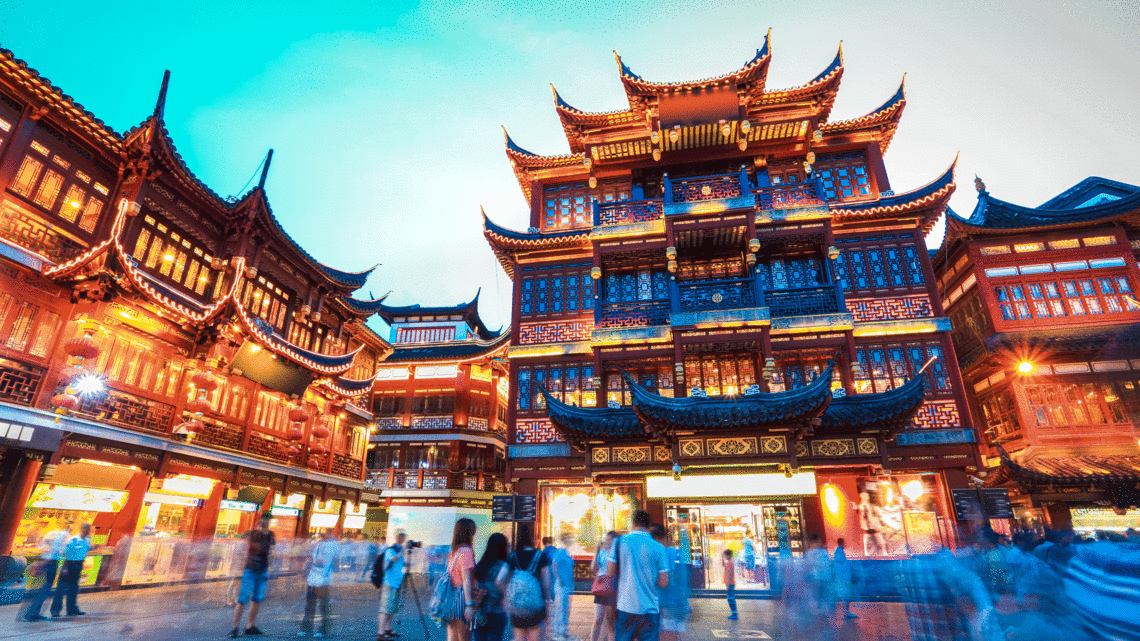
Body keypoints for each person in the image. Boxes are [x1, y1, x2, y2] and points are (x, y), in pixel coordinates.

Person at [608, 510, 669, 641]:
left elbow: (610, 573)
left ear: (633, 523)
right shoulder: (658, 547)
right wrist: (649, 576)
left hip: (626, 607)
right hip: (650, 609)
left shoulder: (618, 542)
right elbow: (664, 582)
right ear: (648, 525)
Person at [231, 511, 276, 639]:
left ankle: (250, 626)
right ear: (259, 520)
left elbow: (272, 549)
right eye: (264, 519)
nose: (266, 521)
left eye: (268, 519)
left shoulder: (271, 535)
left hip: (263, 571)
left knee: (257, 600)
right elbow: (242, 542)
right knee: (242, 600)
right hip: (250, 570)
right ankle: (235, 628)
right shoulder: (251, 534)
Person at [503, 523, 551, 641]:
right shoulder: (541, 555)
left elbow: (499, 579)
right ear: (532, 537)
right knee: (535, 634)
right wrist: (546, 601)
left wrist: (507, 594)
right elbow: (547, 583)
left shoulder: (512, 556)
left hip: (516, 605)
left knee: (519, 636)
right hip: (535, 604)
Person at [23, 521, 70, 621]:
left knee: (42, 587)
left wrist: (42, 561)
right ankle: (32, 614)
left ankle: (33, 613)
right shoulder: (64, 535)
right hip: (51, 562)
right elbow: (59, 551)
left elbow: (41, 546)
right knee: (45, 588)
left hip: (44, 559)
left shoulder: (50, 533)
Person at [651, 524, 690, 641]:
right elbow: (684, 580)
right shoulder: (678, 553)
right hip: (679, 607)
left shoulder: (659, 554)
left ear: (657, 539)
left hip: (665, 607)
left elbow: (663, 582)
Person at [473, 532, 509, 641]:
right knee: (496, 637)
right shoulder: (505, 566)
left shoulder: (481, 565)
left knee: (479, 638)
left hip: (480, 609)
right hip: (498, 610)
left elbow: (474, 586)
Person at [446, 518, 478, 641]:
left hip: (451, 597)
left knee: (452, 636)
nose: (475, 531)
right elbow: (466, 580)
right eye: (473, 529)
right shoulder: (466, 552)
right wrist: (469, 605)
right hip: (462, 600)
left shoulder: (454, 550)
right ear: (468, 531)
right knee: (464, 637)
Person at [51, 522, 92, 618]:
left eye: (89, 529)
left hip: (79, 565)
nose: (88, 530)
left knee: (73, 588)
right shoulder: (72, 540)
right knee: (61, 589)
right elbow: (65, 553)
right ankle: (55, 610)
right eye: (86, 528)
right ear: (81, 529)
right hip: (68, 565)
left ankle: (72, 609)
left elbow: (86, 549)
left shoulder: (87, 539)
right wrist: (65, 567)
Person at [301, 529, 338, 637]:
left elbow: (334, 562)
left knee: (323, 604)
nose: (325, 535)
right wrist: (306, 570)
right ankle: (307, 628)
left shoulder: (333, 545)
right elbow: (311, 558)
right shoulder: (318, 544)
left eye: (328, 533)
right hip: (313, 577)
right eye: (324, 534)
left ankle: (324, 628)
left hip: (324, 578)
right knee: (310, 603)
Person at [376, 531, 409, 640]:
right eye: (400, 536)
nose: (402, 538)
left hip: (398, 583)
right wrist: (402, 551)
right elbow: (393, 560)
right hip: (389, 583)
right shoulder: (390, 550)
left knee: (393, 608)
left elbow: (402, 565)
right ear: (396, 537)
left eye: (403, 536)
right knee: (385, 608)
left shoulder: (400, 551)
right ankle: (380, 633)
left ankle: (387, 629)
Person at [542, 534, 575, 641]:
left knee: (564, 608)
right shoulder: (561, 552)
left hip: (567, 585)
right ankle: (559, 633)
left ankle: (562, 632)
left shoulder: (566, 552)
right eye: (569, 539)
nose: (571, 541)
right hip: (562, 585)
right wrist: (559, 578)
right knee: (561, 609)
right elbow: (554, 564)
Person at [590, 532, 618, 641]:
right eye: (606, 539)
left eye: (609, 539)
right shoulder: (601, 553)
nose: (606, 541)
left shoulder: (618, 554)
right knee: (597, 618)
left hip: (613, 588)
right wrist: (596, 551)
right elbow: (593, 569)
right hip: (601, 588)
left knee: (610, 621)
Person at [833, 537, 856, 619]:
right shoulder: (839, 552)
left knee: (846, 595)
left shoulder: (839, 552)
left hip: (843, 577)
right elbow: (841, 566)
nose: (845, 544)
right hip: (843, 578)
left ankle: (846, 612)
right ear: (841, 543)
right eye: (844, 542)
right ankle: (846, 613)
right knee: (846, 595)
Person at [722, 549, 737, 620]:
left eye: (725, 555)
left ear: (728, 555)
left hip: (730, 583)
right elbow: (723, 565)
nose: (724, 556)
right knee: (730, 598)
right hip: (730, 583)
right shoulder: (729, 562)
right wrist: (722, 558)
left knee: (730, 599)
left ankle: (734, 614)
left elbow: (729, 574)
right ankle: (734, 613)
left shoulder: (730, 563)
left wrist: (727, 584)